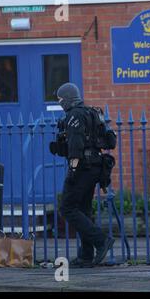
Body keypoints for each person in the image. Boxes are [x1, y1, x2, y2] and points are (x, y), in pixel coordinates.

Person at [55, 83, 115, 267]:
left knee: (67, 208)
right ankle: (86, 255)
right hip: (95, 167)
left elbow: (76, 146)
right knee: (83, 210)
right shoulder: (92, 112)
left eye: (60, 100)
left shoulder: (74, 115)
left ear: (67, 98)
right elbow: (108, 141)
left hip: (81, 167)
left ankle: (101, 240)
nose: (60, 104)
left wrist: (72, 169)